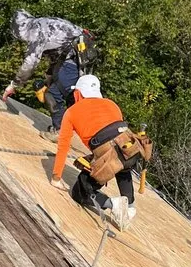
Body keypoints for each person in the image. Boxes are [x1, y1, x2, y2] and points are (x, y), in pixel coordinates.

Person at [51, 73, 140, 228]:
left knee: (80, 192)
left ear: (78, 94)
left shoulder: (72, 112)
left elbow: (63, 145)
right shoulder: (112, 104)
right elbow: (115, 137)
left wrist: (56, 177)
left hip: (108, 159)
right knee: (123, 166)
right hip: (132, 151)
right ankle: (130, 206)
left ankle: (114, 204)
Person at [2, 11, 83, 105]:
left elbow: (30, 63)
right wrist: (49, 77)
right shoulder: (43, 23)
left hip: (74, 57)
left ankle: (75, 117)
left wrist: (13, 85)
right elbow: (58, 51)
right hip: (80, 54)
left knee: (56, 96)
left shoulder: (36, 31)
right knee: (63, 94)